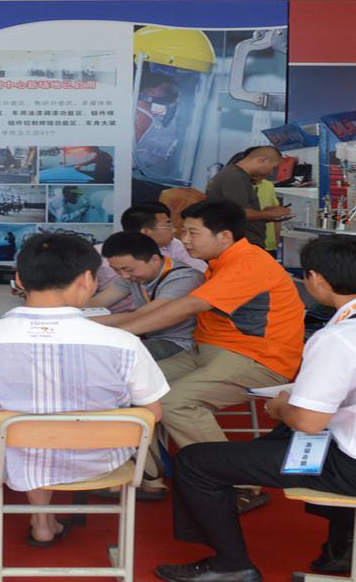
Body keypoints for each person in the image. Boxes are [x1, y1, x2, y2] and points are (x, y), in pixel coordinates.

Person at [155, 234, 356, 582]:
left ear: (316, 279)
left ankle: (231, 565)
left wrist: (282, 407)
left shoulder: (339, 337)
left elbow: (308, 422)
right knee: (286, 438)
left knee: (195, 463)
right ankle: (341, 543)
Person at [0, 233, 168, 546]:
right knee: (42, 428)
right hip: (101, 459)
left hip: (16, 456)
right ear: (87, 280)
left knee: (25, 433)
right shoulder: (123, 344)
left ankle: (42, 521)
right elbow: (153, 413)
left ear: (19, 280)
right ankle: (46, 519)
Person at [108, 200, 304, 506]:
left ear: (224, 236)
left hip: (257, 359)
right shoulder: (222, 262)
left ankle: (240, 484)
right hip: (210, 352)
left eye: (192, 232)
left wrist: (117, 334)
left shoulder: (248, 263)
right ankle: (150, 474)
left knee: (174, 402)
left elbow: (188, 306)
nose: (183, 239)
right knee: (130, 386)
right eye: (183, 231)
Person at [90, 232, 204, 360]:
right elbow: (97, 301)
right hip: (148, 336)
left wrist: (81, 322)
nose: (124, 275)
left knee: (105, 354)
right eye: (116, 269)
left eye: (128, 269)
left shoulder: (184, 278)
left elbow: (141, 316)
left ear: (155, 260)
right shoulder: (132, 276)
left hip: (179, 343)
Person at [205, 146, 291, 248]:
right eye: (273, 167)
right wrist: (269, 213)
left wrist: (266, 216)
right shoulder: (234, 176)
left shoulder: (239, 176)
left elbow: (232, 214)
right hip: (240, 245)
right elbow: (239, 213)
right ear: (262, 160)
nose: (271, 172)